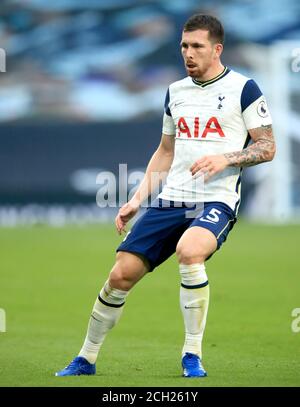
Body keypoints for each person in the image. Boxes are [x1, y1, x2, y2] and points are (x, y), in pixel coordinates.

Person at [56, 14, 275, 378]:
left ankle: (192, 355)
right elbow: (165, 151)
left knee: (190, 252)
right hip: (172, 198)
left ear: (217, 49)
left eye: (197, 47)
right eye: (184, 47)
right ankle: (86, 358)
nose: (188, 54)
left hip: (216, 199)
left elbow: (267, 147)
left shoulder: (244, 88)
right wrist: (137, 198)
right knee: (120, 275)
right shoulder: (175, 92)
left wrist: (227, 157)